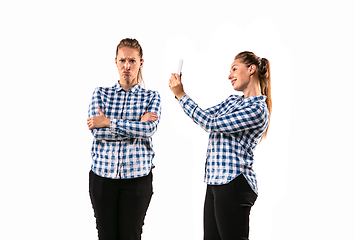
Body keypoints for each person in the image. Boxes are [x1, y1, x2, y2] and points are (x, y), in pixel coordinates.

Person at [168, 51, 271, 240]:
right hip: (215, 181)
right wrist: (179, 95)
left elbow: (211, 124)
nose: (229, 75)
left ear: (251, 69)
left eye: (234, 69)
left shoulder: (257, 109)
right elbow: (204, 115)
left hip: (234, 182)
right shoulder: (233, 101)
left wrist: (182, 95)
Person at [87, 38, 161, 240]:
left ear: (141, 63)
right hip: (102, 177)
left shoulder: (152, 97)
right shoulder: (100, 94)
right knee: (106, 235)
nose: (127, 66)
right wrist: (136, 123)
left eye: (132, 61)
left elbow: (148, 129)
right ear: (116, 62)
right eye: (122, 60)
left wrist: (108, 122)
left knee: (131, 235)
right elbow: (96, 131)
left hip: (137, 179)